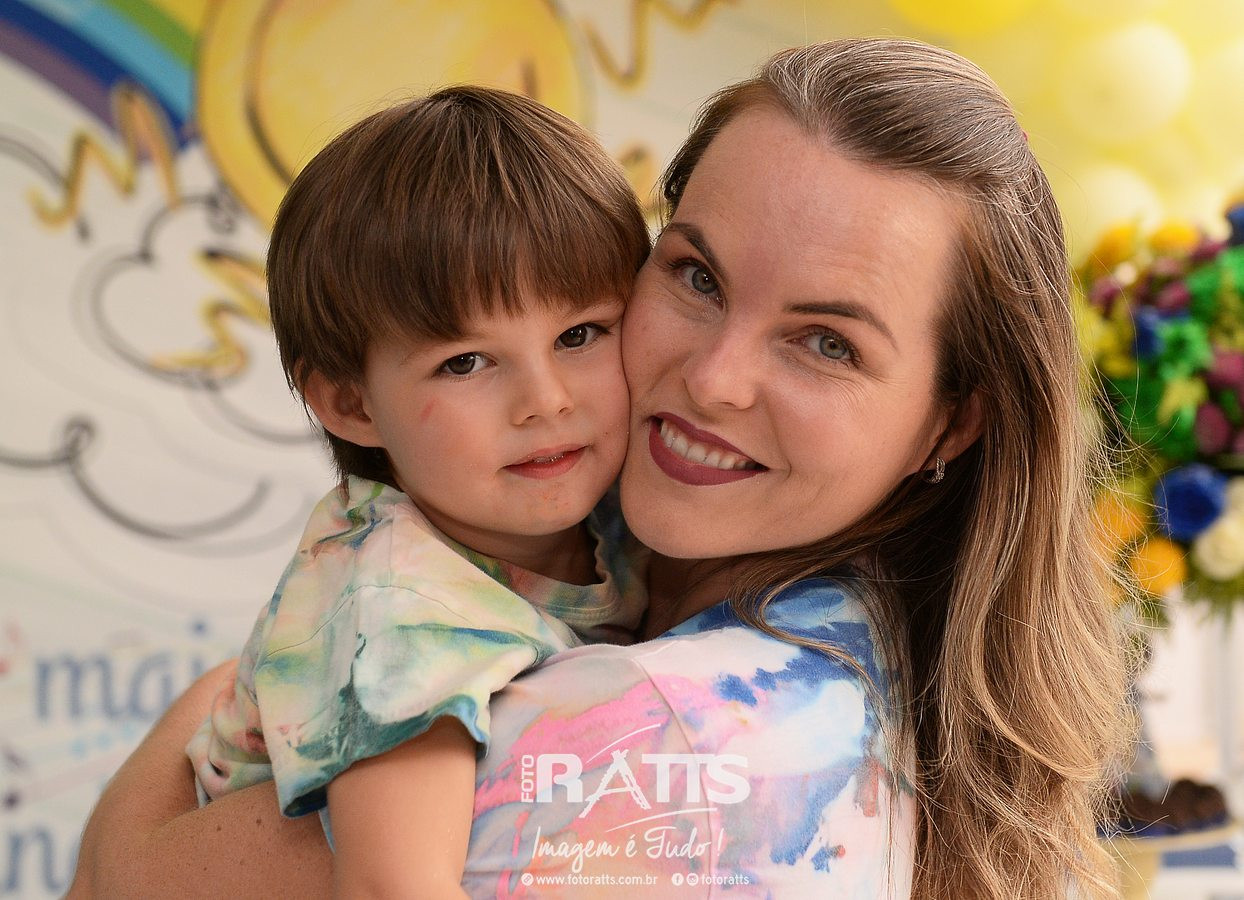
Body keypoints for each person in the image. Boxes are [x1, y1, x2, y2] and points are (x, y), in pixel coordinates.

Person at [70, 38, 1128, 899]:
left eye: (826, 343)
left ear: (949, 425)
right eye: (697, 275)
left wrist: (192, 732)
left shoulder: (666, 729)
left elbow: (129, 875)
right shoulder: (615, 563)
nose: (712, 379)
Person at [183, 86, 651, 897]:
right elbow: (393, 887)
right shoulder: (402, 610)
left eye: (579, 335)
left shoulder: (620, 505)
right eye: (465, 362)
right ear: (352, 405)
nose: (545, 400)